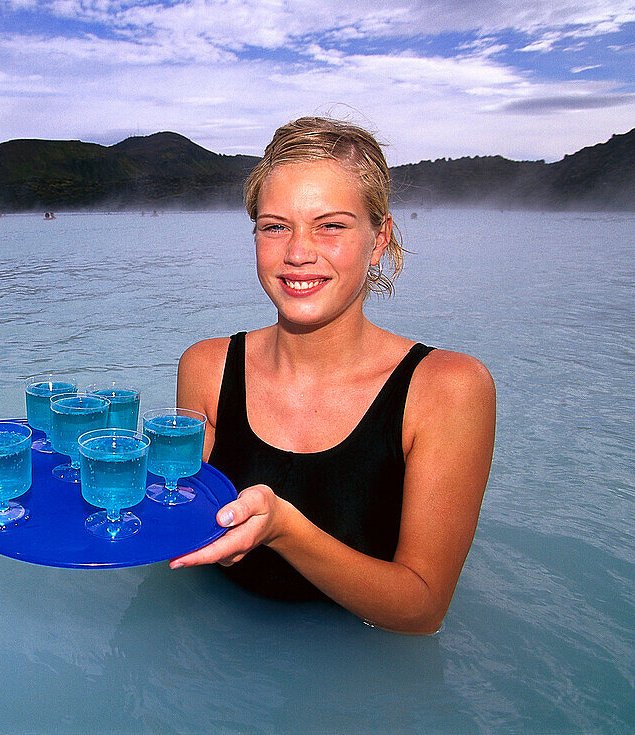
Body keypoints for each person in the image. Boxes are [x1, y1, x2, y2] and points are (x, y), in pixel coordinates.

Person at [169, 117, 496, 635]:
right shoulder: (207, 367)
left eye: (332, 225)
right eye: (275, 226)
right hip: (211, 647)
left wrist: (284, 531)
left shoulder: (446, 388)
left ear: (380, 237)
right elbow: (182, 513)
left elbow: (422, 610)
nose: (298, 252)